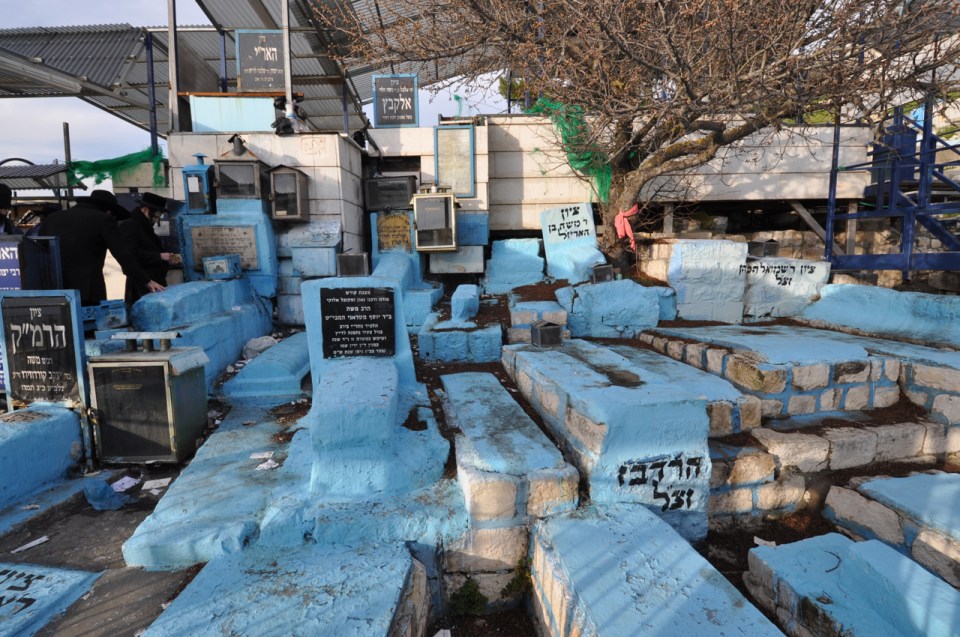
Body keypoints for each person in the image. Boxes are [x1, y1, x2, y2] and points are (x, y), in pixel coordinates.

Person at [41, 189, 163, 306]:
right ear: (109, 211)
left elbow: (39, 250)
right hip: (87, 291)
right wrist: (146, 281)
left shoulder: (52, 218)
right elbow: (122, 254)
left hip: (55, 288)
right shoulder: (103, 219)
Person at [119, 192, 175, 305]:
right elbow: (131, 255)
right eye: (155, 217)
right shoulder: (130, 225)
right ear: (145, 210)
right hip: (142, 285)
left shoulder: (144, 226)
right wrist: (160, 256)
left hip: (154, 284)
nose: (156, 220)